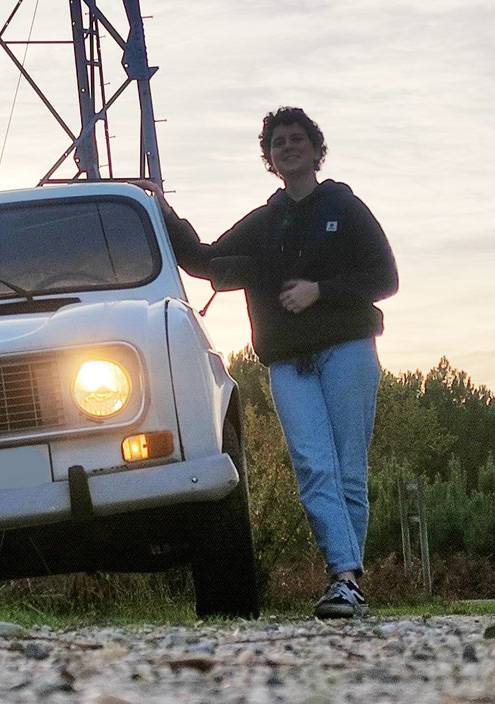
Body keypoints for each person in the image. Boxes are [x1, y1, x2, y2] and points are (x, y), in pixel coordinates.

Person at [136, 107, 398, 618]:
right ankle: (345, 578)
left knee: (347, 471)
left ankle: (347, 582)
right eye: (278, 142)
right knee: (312, 465)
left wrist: (320, 291)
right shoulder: (266, 220)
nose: (288, 147)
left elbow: (385, 279)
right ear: (269, 158)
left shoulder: (345, 208)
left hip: (347, 352)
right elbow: (202, 260)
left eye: (297, 139)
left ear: (316, 149)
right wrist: (160, 208)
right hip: (288, 364)